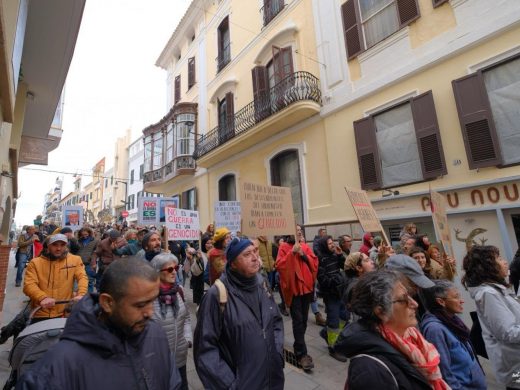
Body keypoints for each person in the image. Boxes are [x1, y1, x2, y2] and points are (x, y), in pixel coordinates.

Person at [17, 257, 182, 389]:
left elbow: (172, 381)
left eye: (152, 301)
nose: (150, 313)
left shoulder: (155, 333)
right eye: (140, 305)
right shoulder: (56, 368)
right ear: (108, 303)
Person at [194, 238, 284, 389]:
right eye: (247, 254)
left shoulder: (262, 283)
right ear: (233, 264)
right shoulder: (216, 295)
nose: (255, 257)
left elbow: (275, 321)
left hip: (273, 379)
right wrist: (229, 385)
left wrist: (277, 354)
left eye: (255, 251)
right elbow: (205, 349)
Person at [335, 270, 449, 390]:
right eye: (403, 300)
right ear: (381, 312)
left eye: (410, 296)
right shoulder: (370, 371)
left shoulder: (412, 340)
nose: (414, 304)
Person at [463, 245, 520, 389]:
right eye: (499, 259)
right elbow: (507, 332)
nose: (505, 261)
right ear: (488, 266)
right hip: (515, 366)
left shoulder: (495, 290)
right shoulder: (489, 293)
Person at [420, 280, 486, 389]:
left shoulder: (452, 320)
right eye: (456, 297)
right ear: (441, 301)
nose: (462, 301)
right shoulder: (435, 330)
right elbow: (444, 371)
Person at [276, 227, 318, 371]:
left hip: (306, 289)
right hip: (294, 291)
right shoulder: (284, 247)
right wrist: (292, 252)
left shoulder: (305, 246)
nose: (299, 231)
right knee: (298, 321)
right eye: (296, 229)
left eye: (300, 229)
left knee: (304, 320)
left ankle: (298, 344)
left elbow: (314, 263)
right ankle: (301, 354)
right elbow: (280, 266)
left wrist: (303, 255)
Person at [23, 234, 88, 322]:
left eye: (62, 245)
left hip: (64, 312)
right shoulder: (35, 263)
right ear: (48, 245)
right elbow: (29, 285)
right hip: (41, 312)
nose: (58, 248)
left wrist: (81, 294)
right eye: (55, 245)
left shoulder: (75, 260)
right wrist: (43, 297)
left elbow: (82, 277)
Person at [150, 253, 192, 390]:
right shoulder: (148, 296)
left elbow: (186, 317)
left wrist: (187, 339)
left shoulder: (178, 291)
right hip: (157, 361)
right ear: (157, 272)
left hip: (180, 356)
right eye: (169, 269)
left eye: (175, 267)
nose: (174, 271)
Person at [316, 236, 347, 362]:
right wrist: (337, 280)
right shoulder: (320, 259)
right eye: (329, 243)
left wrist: (340, 255)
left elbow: (344, 266)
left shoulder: (335, 255)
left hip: (340, 292)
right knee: (333, 321)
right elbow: (323, 280)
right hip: (330, 295)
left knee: (344, 317)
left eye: (332, 242)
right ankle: (333, 348)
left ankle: (325, 332)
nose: (332, 245)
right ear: (324, 245)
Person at [77, 227, 98, 293]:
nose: (85, 236)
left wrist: (93, 261)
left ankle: (90, 298)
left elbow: (96, 252)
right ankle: (81, 296)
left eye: (86, 234)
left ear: (89, 233)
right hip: (79, 263)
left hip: (89, 264)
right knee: (79, 281)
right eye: (83, 235)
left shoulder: (95, 241)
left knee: (90, 281)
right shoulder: (78, 241)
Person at [191, 237, 211, 305]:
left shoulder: (214, 253)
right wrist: (198, 260)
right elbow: (195, 271)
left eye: (211, 243)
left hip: (211, 284)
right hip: (200, 285)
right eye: (207, 243)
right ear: (203, 244)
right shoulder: (199, 253)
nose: (210, 245)